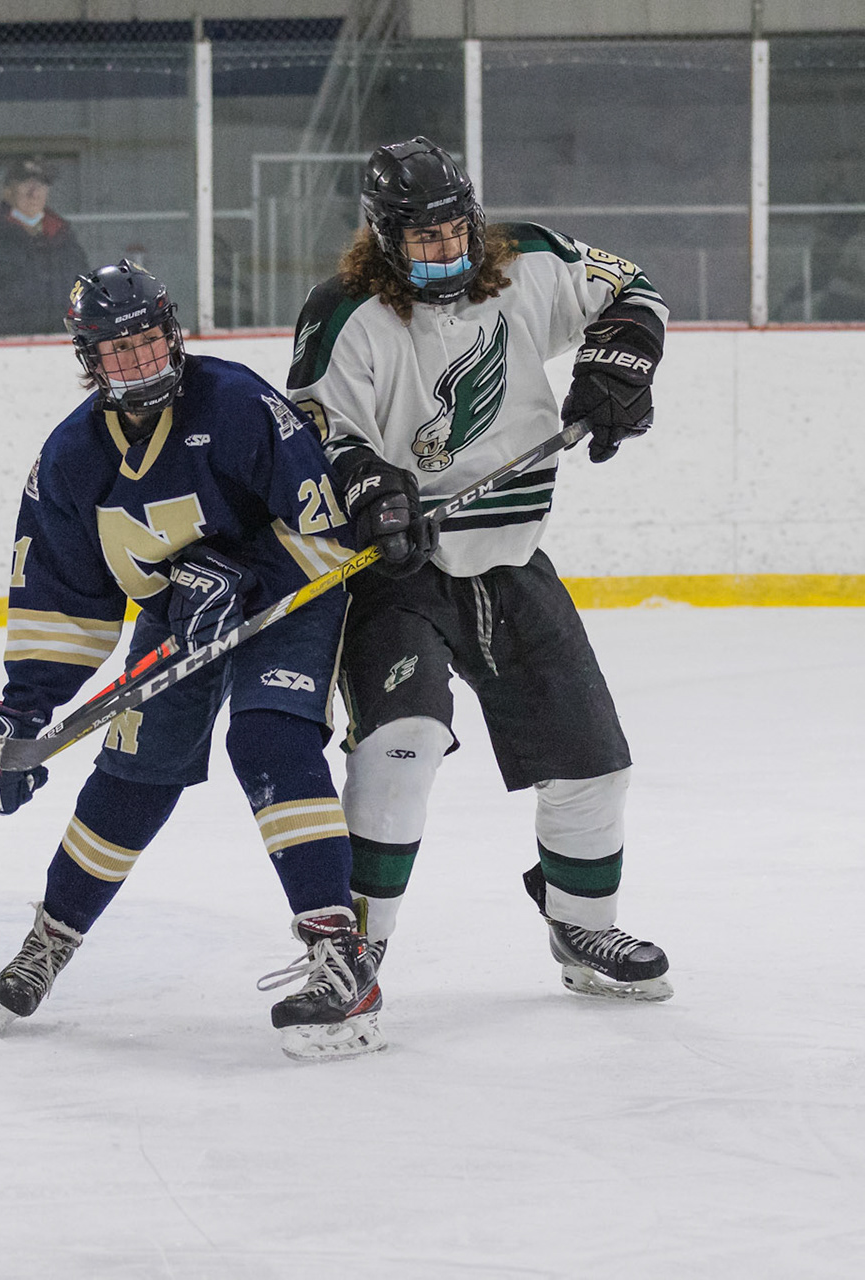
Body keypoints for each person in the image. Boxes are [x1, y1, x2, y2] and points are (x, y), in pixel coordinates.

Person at [286, 136, 673, 1001]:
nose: (446, 250)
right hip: (398, 574)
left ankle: (582, 925)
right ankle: (353, 951)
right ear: (383, 238)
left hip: (512, 558)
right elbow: (315, 429)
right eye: (422, 238)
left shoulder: (527, 261)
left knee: (593, 760)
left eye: (456, 230)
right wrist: (367, 485)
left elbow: (631, 288)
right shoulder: (344, 312)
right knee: (402, 744)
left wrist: (617, 361)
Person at [0, 260, 384, 1062]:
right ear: (90, 359)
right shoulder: (71, 457)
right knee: (134, 770)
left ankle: (341, 955)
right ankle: (52, 936)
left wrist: (244, 576)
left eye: (149, 341)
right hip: (177, 618)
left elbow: (323, 524)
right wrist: (23, 713)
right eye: (118, 351)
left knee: (269, 740)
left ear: (173, 333)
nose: (139, 361)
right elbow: (63, 600)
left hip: (287, 599)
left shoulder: (235, 401)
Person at [0, 157, 90, 337]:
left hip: (61, 345)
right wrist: (7, 339)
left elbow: (86, 298)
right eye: (25, 184)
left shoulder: (66, 242)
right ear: (7, 191)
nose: (34, 193)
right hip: (5, 349)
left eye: (41, 185)